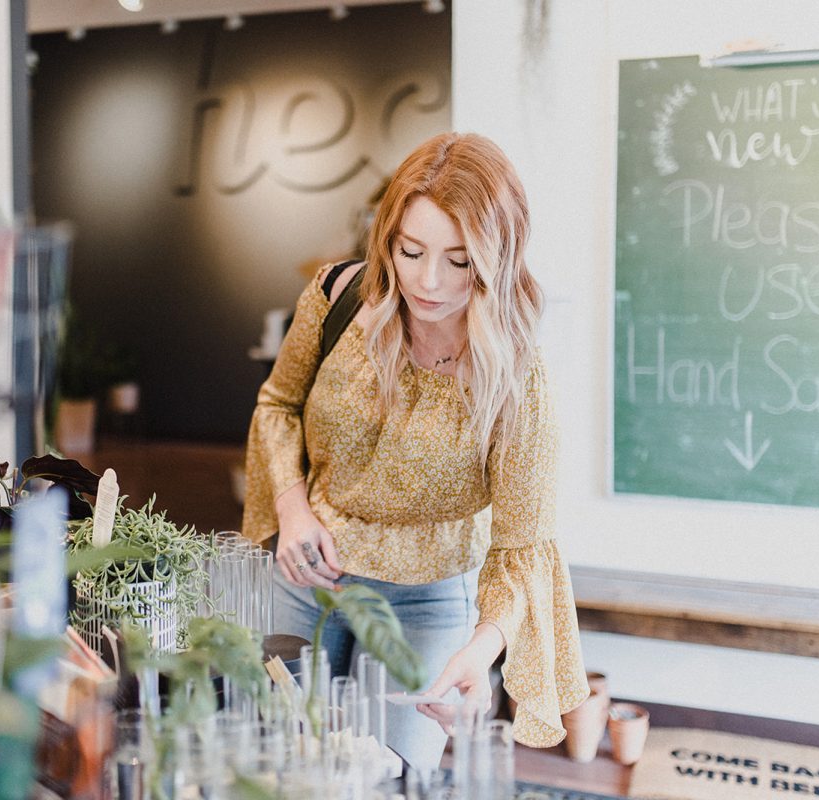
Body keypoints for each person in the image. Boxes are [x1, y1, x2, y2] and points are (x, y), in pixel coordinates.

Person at [241, 132, 589, 771]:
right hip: (307, 576)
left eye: (460, 260)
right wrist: (292, 510)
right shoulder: (337, 300)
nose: (429, 281)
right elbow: (276, 406)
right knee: (279, 766)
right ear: (387, 241)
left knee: (391, 776)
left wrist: (480, 650)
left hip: (428, 600)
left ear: (497, 255)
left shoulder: (515, 373)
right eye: (411, 251)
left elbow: (522, 546)